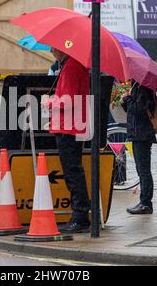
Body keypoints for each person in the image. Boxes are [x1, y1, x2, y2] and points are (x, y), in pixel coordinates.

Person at [42, 47, 91, 233]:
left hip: (68, 127)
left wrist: (49, 102)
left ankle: (80, 217)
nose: (51, 51)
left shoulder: (71, 67)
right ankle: (79, 214)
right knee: (74, 171)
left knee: (72, 173)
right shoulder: (72, 66)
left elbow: (68, 101)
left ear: (61, 49)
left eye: (53, 48)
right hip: (70, 125)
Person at [121, 82, 157, 215]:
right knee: (141, 169)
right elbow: (130, 110)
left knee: (144, 171)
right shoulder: (137, 86)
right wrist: (125, 101)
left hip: (142, 134)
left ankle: (146, 203)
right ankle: (144, 202)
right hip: (137, 133)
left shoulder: (144, 88)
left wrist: (128, 98)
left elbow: (139, 110)